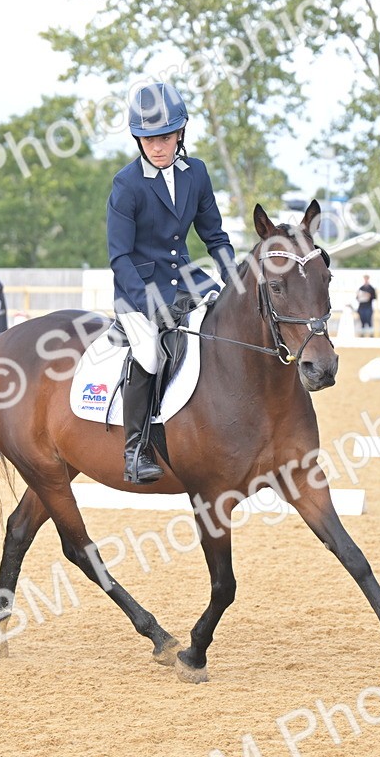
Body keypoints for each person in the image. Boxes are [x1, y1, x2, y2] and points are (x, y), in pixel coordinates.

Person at [107, 81, 236, 484]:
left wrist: (234, 281)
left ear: (179, 133)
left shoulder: (196, 172)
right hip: (138, 291)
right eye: (147, 139)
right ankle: (136, 449)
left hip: (186, 281)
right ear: (137, 138)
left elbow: (214, 236)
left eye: (164, 137)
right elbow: (119, 257)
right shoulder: (126, 184)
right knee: (149, 355)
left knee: (225, 330)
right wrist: (150, 303)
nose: (157, 146)